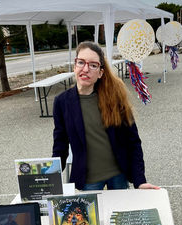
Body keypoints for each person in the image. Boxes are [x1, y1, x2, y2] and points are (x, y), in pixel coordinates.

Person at [52, 41, 159, 191]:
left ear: (101, 72)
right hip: (88, 179)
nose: (86, 69)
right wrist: (47, 180)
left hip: (118, 175)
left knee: (118, 213)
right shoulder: (61, 102)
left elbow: (133, 142)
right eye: (81, 62)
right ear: (75, 65)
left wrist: (139, 180)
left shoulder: (114, 98)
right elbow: (60, 145)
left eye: (93, 65)